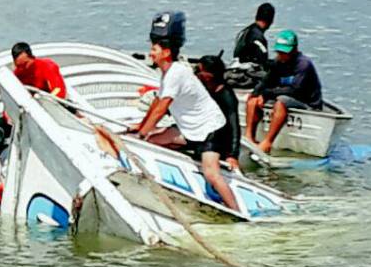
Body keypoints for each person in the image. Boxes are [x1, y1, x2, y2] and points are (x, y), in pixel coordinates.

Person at [128, 11, 239, 211]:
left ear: (166, 52)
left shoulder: (176, 74)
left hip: (210, 130)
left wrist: (143, 132)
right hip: (189, 129)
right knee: (152, 142)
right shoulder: (167, 74)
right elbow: (156, 103)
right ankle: (166, 183)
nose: (150, 53)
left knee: (211, 173)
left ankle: (236, 210)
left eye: (154, 49)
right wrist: (141, 126)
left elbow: (162, 109)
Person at [244, 30, 322, 154]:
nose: (281, 55)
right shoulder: (278, 63)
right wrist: (256, 94)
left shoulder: (303, 64)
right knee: (253, 99)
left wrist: (268, 94)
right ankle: (249, 137)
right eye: (279, 52)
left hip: (306, 101)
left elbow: (295, 90)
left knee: (281, 101)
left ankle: (268, 142)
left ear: (294, 50)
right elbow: (265, 82)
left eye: (285, 52)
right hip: (286, 95)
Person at [195, 54, 241, 171]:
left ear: (209, 76)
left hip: (219, 140)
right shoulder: (203, 89)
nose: (196, 74)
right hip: (202, 135)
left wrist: (233, 155)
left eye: (199, 71)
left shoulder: (226, 96)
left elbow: (234, 125)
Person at [233, 2, 275, 68]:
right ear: (271, 20)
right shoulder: (258, 38)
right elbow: (263, 62)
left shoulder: (245, 32)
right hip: (248, 73)